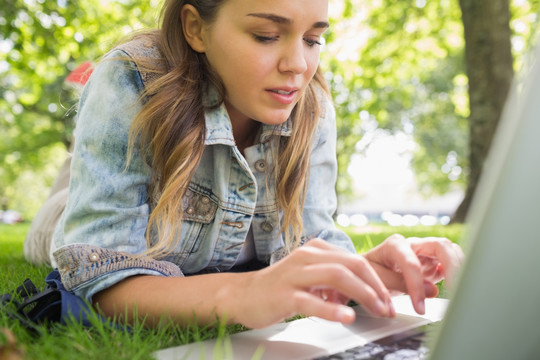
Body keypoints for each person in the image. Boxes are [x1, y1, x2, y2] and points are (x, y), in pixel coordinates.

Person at [28, 0, 464, 330]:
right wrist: (245, 292)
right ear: (196, 28)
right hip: (72, 211)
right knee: (55, 227)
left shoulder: (312, 107)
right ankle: (75, 164)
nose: (298, 65)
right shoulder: (131, 79)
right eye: (266, 36)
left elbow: (307, 245)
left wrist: (368, 273)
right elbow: (99, 273)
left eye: (313, 40)